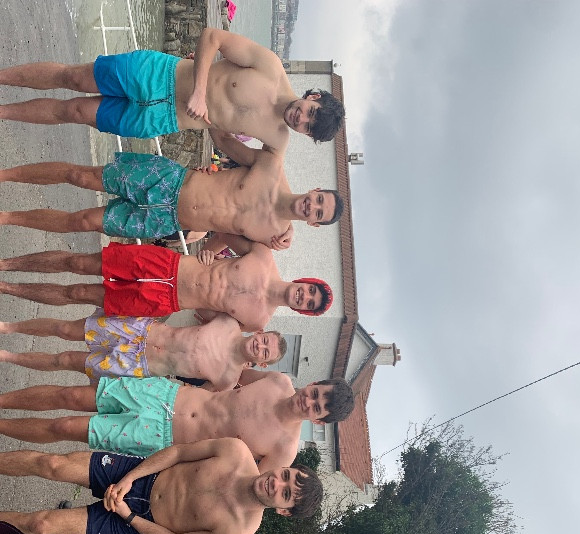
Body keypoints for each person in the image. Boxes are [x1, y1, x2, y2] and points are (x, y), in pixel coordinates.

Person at [0, 29, 345, 154]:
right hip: (158, 74)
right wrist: (200, 88)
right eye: (310, 113)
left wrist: (282, 231)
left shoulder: (278, 140)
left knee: (73, 113)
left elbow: (268, 182)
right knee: (73, 78)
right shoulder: (270, 67)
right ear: (313, 97)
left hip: (161, 119)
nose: (301, 119)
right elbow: (213, 37)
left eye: (307, 127)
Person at [0, 438, 323, 534]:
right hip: (142, 474)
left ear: (284, 511)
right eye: (286, 475)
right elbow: (179, 453)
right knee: (53, 464)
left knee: (42, 525)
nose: (276, 483)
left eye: (285, 494)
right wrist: (129, 478)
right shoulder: (236, 452)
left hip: (135, 522)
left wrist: (128, 515)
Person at [0, 141, 344, 247]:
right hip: (170, 181)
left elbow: (226, 240)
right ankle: (6, 175)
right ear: (314, 189)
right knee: (81, 176)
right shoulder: (271, 167)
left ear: (314, 224)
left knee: (83, 222)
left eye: (318, 213)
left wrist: (212, 252)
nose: (311, 206)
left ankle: (8, 217)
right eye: (318, 199)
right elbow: (225, 140)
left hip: (166, 220)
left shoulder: (272, 236)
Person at [0, 374, 354, 475]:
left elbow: (239, 480)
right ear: (314, 384)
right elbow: (230, 373)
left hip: (161, 437)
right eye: (316, 393)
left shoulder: (283, 450)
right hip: (166, 395)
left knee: (66, 427)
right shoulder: (277, 381)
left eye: (318, 407)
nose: (310, 401)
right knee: (71, 396)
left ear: (318, 419)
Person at [0, 241, 333, 331]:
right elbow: (226, 233)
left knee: (80, 294)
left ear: (302, 311)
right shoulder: (263, 256)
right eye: (310, 290)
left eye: (308, 303)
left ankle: (7, 288)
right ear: (305, 281)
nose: (304, 296)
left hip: (165, 300)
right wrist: (210, 250)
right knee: (80, 263)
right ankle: (7, 264)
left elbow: (212, 324)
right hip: (167, 264)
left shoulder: (258, 321)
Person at [0, 310, 287, 392]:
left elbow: (191, 399)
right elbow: (196, 296)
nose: (260, 347)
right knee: (66, 329)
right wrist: (207, 254)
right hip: (140, 330)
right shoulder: (228, 322)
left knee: (66, 360)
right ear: (259, 333)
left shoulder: (226, 380)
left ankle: (8, 357)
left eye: (265, 353)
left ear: (262, 363)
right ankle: (9, 327)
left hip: (141, 366)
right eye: (264, 341)